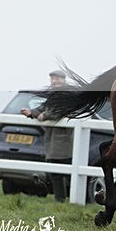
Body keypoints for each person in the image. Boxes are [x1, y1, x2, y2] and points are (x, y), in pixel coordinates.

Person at [21, 69, 72, 202]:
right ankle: (60, 199)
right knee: (54, 171)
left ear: (63, 80)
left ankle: (67, 198)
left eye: (57, 79)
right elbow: (43, 108)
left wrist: (46, 116)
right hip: (52, 138)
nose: (54, 82)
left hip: (64, 138)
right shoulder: (53, 95)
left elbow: (61, 110)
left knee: (67, 169)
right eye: (52, 79)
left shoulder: (67, 94)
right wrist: (31, 112)